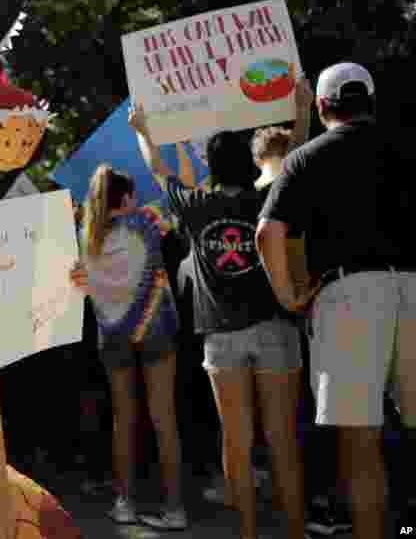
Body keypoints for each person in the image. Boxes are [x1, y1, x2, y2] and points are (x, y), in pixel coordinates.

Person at [130, 101, 307, 539]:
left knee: (236, 443)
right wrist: (302, 109)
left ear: (211, 165)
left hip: (220, 339)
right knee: (283, 441)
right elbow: (297, 158)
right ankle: (296, 532)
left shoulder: (195, 205)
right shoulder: (268, 197)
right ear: (248, 164)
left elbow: (157, 170)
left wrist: (142, 129)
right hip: (274, 329)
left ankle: (246, 532)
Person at [257, 62, 415, 539]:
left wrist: (289, 297)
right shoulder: (408, 146)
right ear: (370, 99)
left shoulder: (306, 158)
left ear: (323, 106)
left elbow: (268, 232)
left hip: (347, 296)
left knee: (360, 446)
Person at [69, 165, 187, 530]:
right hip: (156, 328)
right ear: (129, 197)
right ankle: (174, 508)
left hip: (113, 333)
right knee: (163, 417)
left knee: (124, 418)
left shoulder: (86, 233)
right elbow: (179, 205)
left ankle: (125, 502)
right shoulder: (149, 220)